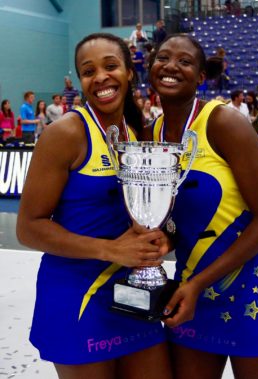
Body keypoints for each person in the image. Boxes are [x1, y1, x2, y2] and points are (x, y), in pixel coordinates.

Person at [16, 33, 173, 379]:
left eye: (110, 66)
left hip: (134, 294)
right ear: (80, 82)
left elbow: (145, 214)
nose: (100, 77)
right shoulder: (65, 134)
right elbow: (28, 227)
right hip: (76, 297)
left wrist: (162, 236)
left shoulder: (136, 134)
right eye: (88, 71)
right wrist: (110, 250)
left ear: (129, 72)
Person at [145, 33, 258, 379]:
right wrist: (163, 239)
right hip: (190, 297)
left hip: (255, 293)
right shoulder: (151, 134)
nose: (171, 67)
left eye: (184, 61)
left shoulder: (224, 123)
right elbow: (173, 218)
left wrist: (198, 283)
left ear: (200, 76)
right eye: (163, 58)